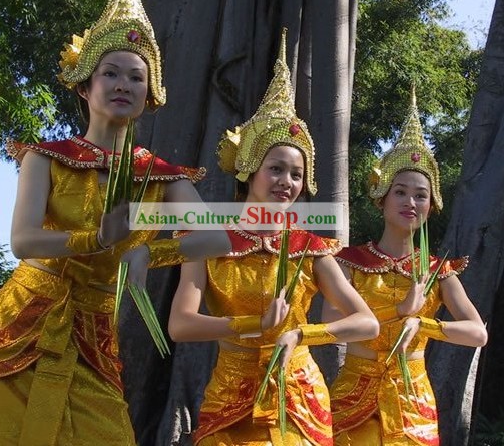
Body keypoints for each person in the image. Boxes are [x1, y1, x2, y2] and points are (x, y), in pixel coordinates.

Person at [0, 0, 230, 446]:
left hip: (92, 332)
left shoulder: (160, 174)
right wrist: (99, 239)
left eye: (136, 77)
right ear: (86, 85)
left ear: (148, 95)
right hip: (23, 323)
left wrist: (146, 249)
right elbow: (22, 240)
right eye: (110, 73)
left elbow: (215, 240)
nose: (123, 84)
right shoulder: (47, 157)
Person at [168, 29, 379, 446]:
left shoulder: (311, 247)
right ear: (248, 167)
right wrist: (253, 324)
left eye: (297, 174)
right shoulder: (207, 238)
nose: (287, 182)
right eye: (276, 169)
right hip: (230, 393)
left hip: (297, 398)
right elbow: (179, 324)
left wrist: (303, 333)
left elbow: (366, 322)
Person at [328, 89, 488, 446]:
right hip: (353, 393)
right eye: (400, 192)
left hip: (412, 396)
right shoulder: (350, 261)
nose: (410, 202)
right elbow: (331, 327)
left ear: (431, 207)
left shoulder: (438, 271)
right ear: (382, 198)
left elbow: (478, 333)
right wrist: (398, 311)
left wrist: (423, 323)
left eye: (421, 195)